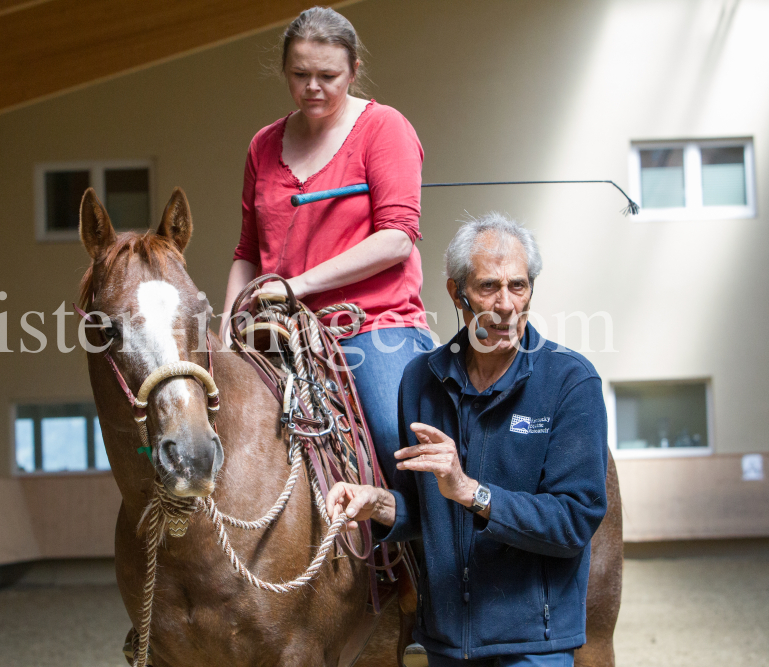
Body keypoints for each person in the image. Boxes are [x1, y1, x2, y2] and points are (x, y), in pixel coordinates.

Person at [326, 213, 610, 667]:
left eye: (518, 286)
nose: (505, 305)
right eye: (487, 287)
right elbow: (429, 513)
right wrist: (378, 503)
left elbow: (574, 521)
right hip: (446, 645)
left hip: (531, 648)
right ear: (456, 292)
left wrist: (471, 491)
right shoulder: (420, 379)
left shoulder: (570, 382)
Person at [220, 6, 433, 488]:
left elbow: (397, 238)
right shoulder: (262, 145)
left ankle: (435, 553)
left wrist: (297, 285)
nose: (313, 87)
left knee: (393, 436)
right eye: (300, 75)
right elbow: (247, 252)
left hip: (372, 326)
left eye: (328, 75)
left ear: (354, 71)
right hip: (280, 332)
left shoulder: (385, 128)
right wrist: (227, 327)